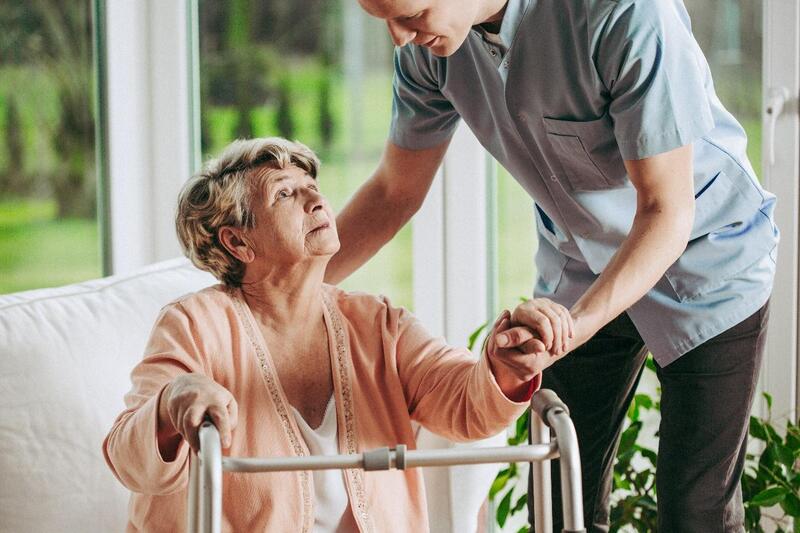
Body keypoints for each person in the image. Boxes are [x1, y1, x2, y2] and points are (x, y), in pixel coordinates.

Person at [329, 0, 779, 531]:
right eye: (384, 19)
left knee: (694, 509)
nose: (399, 39)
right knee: (562, 491)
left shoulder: (624, 14)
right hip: (581, 260)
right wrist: (273, 284)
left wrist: (574, 326)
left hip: (704, 257)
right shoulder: (432, 52)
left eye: (412, 14)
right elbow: (393, 190)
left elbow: (664, 210)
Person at [102, 137, 571, 532]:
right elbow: (128, 458)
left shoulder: (377, 323)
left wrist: (504, 367)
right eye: (285, 194)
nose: (317, 201)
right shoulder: (194, 325)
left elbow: (465, 402)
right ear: (238, 242)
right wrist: (170, 402)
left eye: (312, 187)